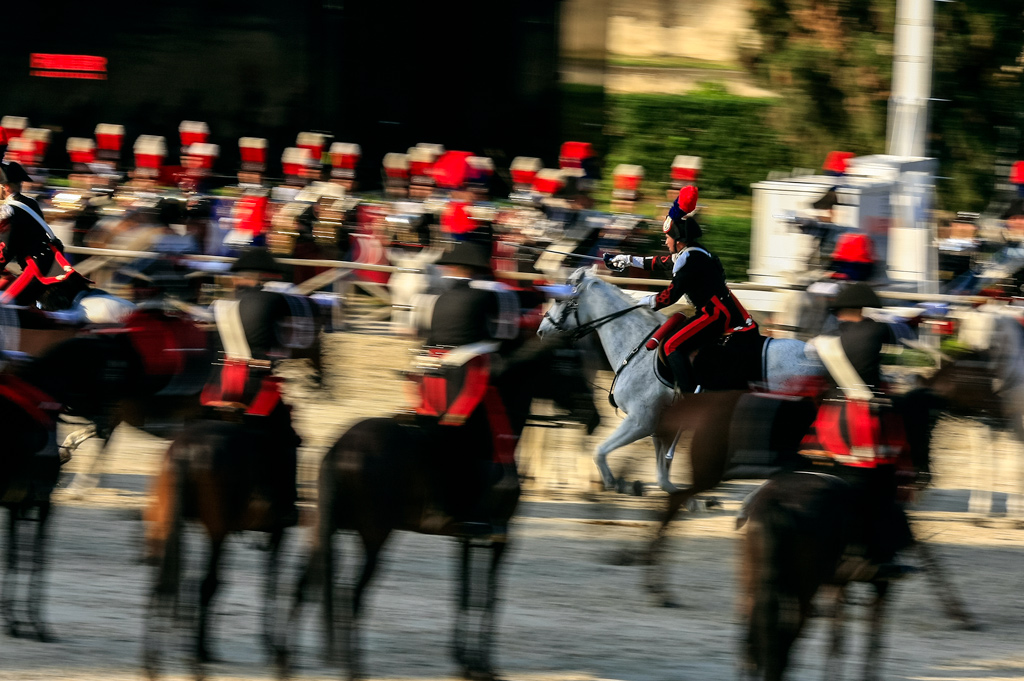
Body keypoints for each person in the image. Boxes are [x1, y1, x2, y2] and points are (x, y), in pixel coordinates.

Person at [802, 282, 916, 579]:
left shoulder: (820, 341)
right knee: (881, 486)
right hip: (860, 423)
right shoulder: (876, 330)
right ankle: (875, 553)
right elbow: (908, 331)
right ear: (862, 308)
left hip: (828, 421)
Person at [409, 240, 520, 529]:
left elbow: (416, 332)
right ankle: (479, 507)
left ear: (449, 267)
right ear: (479, 268)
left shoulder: (427, 295)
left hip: (428, 376)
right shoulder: (495, 294)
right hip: (466, 376)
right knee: (488, 434)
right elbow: (506, 336)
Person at [604, 186, 756, 392]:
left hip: (715, 314)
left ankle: (689, 395)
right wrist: (626, 260)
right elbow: (658, 262)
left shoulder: (690, 259)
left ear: (679, 240)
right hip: (715, 310)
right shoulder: (691, 252)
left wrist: (640, 303)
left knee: (670, 346)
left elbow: (669, 297)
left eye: (668, 237)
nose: (665, 241)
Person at [200, 248, 308, 527]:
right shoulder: (277, 300)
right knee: (288, 439)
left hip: (218, 385)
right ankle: (286, 503)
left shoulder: (219, 305)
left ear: (239, 278)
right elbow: (298, 340)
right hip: (256, 385)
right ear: (265, 277)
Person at [0, 160, 79, 306]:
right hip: (48, 262)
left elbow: (6, 248)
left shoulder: (9, 210)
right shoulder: (31, 203)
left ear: (5, 187)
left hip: (34, 268)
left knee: (5, 303)